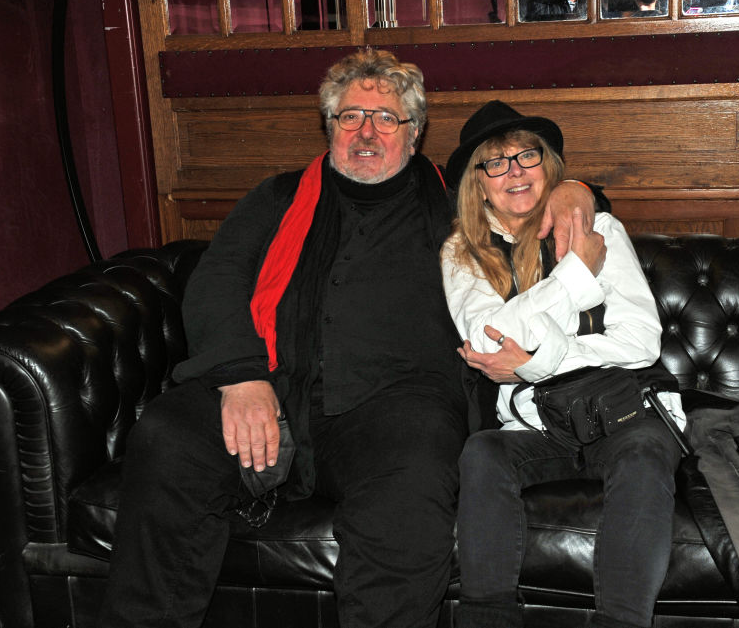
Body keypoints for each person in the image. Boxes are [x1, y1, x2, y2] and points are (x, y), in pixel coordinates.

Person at [98, 51, 598, 628]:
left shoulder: (456, 205)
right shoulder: (279, 197)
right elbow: (218, 281)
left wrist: (576, 190)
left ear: (414, 134)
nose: (366, 132)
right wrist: (241, 376)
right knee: (168, 435)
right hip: (273, 388)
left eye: (386, 119)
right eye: (350, 116)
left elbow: (527, 196)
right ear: (330, 127)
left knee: (412, 481)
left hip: (398, 407)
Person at [440, 100, 684, 628]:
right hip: (537, 424)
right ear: (478, 183)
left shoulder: (598, 229)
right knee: (483, 453)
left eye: (526, 156)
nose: (514, 172)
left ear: (546, 164)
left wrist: (536, 361)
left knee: (645, 455)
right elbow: (487, 338)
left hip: (625, 411)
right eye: (495, 162)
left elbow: (640, 342)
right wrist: (576, 276)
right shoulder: (462, 253)